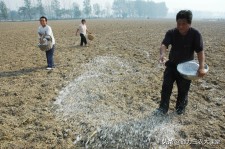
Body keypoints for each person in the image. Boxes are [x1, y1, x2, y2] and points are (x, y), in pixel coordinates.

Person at [156, 10, 206, 115]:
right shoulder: (171, 33)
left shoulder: (195, 34)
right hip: (172, 65)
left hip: (186, 69)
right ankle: (162, 109)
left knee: (183, 91)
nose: (181, 27)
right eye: (179, 23)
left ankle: (180, 111)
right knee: (166, 87)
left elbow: (200, 52)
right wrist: (162, 55)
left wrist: (201, 67)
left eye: (184, 24)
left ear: (190, 23)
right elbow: (164, 44)